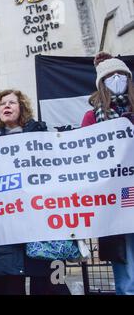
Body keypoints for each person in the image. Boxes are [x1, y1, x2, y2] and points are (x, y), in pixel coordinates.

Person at [0, 89, 62, 295]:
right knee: (9, 285)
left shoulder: (42, 136)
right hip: (5, 224)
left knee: (51, 283)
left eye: (12, 102)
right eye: (2, 104)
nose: (6, 106)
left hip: (42, 222)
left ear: (22, 108)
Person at [81, 52, 134, 295]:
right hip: (120, 201)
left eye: (120, 75)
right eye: (110, 76)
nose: (116, 79)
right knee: (127, 274)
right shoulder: (92, 117)